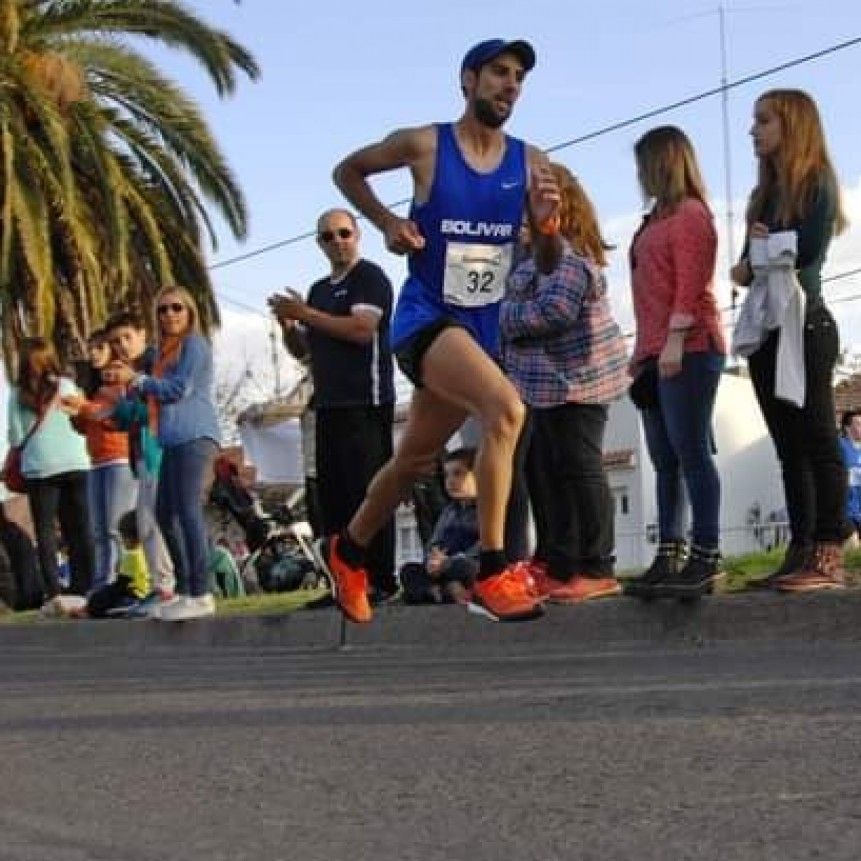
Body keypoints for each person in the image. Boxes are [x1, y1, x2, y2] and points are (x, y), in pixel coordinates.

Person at [319, 38, 561, 624]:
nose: (509, 86)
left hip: (479, 331)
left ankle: (347, 550)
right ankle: (495, 570)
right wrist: (386, 221)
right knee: (505, 411)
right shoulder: (425, 145)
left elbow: (548, 262)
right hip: (426, 318)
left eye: (518, 78)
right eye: (498, 73)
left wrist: (548, 226)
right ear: (468, 81)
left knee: (413, 459)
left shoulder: (531, 161)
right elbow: (345, 170)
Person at [731, 89, 849, 592]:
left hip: (806, 325)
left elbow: (807, 251)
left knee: (818, 436)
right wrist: (759, 248)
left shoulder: (816, 182)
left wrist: (766, 245)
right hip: (767, 331)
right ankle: (799, 546)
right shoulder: (763, 195)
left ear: (792, 125)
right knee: (788, 445)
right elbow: (742, 269)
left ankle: (830, 549)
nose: (753, 131)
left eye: (763, 121)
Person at [501, 163, 628, 603]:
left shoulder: (572, 260)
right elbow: (514, 296)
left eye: (526, 215)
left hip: (580, 384)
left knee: (581, 468)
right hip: (545, 386)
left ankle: (599, 565)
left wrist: (510, 316)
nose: (519, 223)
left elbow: (551, 312)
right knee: (551, 471)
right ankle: (563, 560)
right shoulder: (532, 264)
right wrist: (514, 311)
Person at [269, 208, 397, 601]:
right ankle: (344, 581)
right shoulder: (320, 290)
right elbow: (307, 349)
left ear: (357, 234)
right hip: (327, 405)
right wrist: (290, 326)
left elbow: (361, 330)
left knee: (369, 491)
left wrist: (305, 313)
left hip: (365, 402)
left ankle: (379, 578)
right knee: (334, 498)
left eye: (343, 233)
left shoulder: (369, 277)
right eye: (328, 236)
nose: (337, 241)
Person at [624, 126, 726, 600]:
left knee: (690, 452)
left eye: (644, 163)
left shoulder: (689, 214)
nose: (639, 173)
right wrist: (642, 350)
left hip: (690, 346)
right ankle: (669, 552)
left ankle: (706, 554)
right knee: (664, 458)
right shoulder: (653, 219)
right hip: (654, 351)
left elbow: (691, 282)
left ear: (662, 162)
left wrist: (675, 340)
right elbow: (648, 291)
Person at [107, 286, 221, 620]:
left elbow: (178, 389)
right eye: (163, 310)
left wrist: (138, 380)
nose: (170, 315)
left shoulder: (194, 345)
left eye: (177, 308)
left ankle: (201, 592)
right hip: (170, 440)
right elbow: (146, 401)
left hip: (195, 435)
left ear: (189, 312)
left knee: (186, 511)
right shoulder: (160, 354)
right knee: (165, 513)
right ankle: (185, 590)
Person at [6, 337, 95, 609]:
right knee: (80, 528)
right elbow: (82, 415)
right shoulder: (66, 385)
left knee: (45, 533)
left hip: (40, 468)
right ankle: (85, 587)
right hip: (76, 461)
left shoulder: (17, 395)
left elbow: (18, 437)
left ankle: (55, 592)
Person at [105, 310, 175, 606]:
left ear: (142, 335)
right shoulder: (127, 374)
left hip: (160, 451)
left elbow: (160, 409)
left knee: (153, 522)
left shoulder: (155, 364)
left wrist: (126, 410)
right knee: (146, 522)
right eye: (116, 341)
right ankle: (163, 586)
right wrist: (115, 409)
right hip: (141, 455)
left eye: (126, 338)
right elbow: (125, 419)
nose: (121, 345)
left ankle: (167, 586)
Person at [66, 331, 138, 593]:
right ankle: (102, 582)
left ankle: (117, 583)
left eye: (99, 347)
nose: (93, 353)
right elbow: (90, 426)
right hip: (96, 461)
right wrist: (75, 416)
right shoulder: (95, 389)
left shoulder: (123, 383)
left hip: (119, 459)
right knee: (99, 529)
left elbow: (115, 418)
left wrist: (84, 409)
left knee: (114, 527)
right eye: (91, 348)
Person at [400, 447, 479, 605]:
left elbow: (482, 547)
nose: (450, 481)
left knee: (467, 567)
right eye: (446, 475)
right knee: (408, 570)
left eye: (458, 473)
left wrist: (447, 563)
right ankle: (441, 590)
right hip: (442, 567)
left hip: (467, 564)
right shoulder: (449, 511)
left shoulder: (485, 510)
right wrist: (432, 559)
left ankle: (440, 590)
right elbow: (435, 541)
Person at [86, 509, 149, 618]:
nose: (123, 542)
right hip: (147, 596)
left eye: (124, 538)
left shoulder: (132, 555)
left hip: (134, 596)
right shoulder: (147, 552)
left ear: (130, 537)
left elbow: (121, 585)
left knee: (98, 600)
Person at [839, 410, 861, 537]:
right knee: (852, 550)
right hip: (846, 513)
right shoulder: (840, 447)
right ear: (847, 428)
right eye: (858, 424)